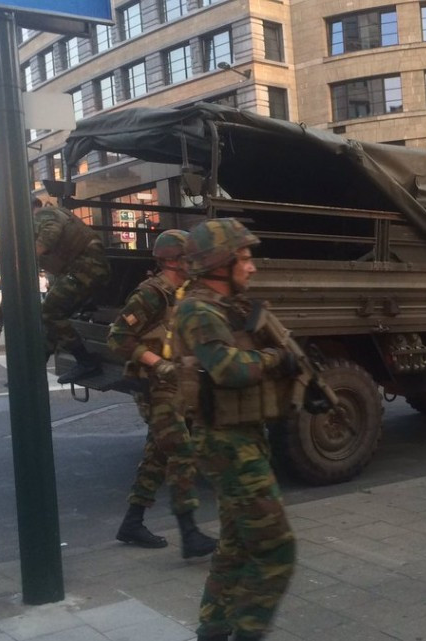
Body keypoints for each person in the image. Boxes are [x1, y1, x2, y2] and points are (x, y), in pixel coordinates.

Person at [171, 219, 301, 641]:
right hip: (227, 444)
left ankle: (212, 630)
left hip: (244, 437)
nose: (252, 268)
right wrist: (274, 360)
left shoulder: (229, 308)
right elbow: (228, 369)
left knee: (236, 545)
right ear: (220, 264)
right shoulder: (197, 310)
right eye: (244, 259)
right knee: (277, 547)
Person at [107, 229, 216, 559]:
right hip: (157, 388)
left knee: (158, 455)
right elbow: (118, 337)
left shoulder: (181, 293)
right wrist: (158, 364)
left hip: (178, 386)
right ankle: (190, 533)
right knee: (182, 453)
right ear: (173, 260)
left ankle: (132, 523)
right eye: (189, 258)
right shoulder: (152, 293)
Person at [33, 201, 111, 383]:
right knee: (50, 318)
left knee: (50, 313)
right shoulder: (47, 214)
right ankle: (36, 367)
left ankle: (86, 362)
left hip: (86, 269)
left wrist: (25, 255)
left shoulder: (44, 214)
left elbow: (49, 237)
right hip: (83, 270)